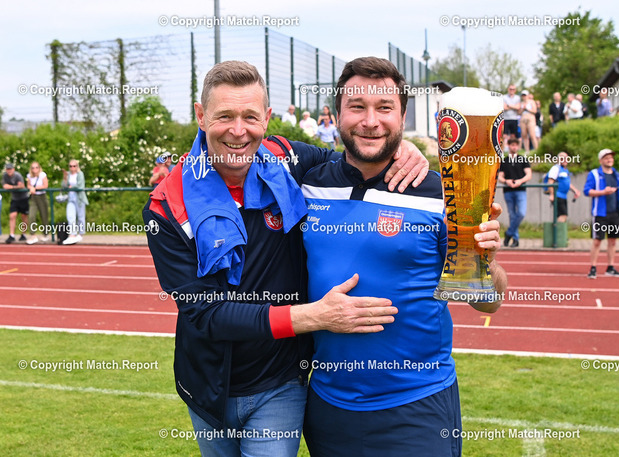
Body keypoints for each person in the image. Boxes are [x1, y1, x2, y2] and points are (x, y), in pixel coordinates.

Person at [142, 60, 429, 457]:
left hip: (281, 383)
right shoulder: (166, 205)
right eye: (224, 116)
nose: (238, 130)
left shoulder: (287, 157)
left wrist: (400, 149)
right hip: (207, 385)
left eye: (250, 117)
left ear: (267, 118)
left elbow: (354, 158)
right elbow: (206, 313)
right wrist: (314, 317)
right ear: (200, 116)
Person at [300, 56, 507, 457]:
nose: (370, 121)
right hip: (327, 407)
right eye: (357, 106)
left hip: (416, 408)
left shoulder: (441, 195)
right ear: (337, 114)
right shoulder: (307, 186)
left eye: (384, 108)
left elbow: (489, 302)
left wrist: (488, 260)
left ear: (403, 116)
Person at [584, 149, 619, 279]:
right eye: (606, 158)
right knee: (597, 241)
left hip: (615, 212)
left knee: (613, 241)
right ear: (600, 160)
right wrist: (603, 192)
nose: (609, 160)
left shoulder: (616, 174)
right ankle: (593, 268)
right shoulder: (594, 174)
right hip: (600, 213)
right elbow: (587, 191)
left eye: (611, 157)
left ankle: (610, 267)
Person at [498, 138, 532, 247]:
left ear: (518, 146)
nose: (514, 147)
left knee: (521, 213)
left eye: (516, 145)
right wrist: (506, 181)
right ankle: (515, 239)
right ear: (509, 146)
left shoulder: (522, 159)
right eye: (512, 145)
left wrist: (520, 181)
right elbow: (500, 176)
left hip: (520, 190)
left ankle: (509, 233)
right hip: (508, 191)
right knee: (512, 215)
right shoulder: (504, 161)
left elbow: (529, 174)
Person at [62, 159, 89, 245]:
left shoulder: (80, 174)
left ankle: (81, 234)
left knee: (80, 217)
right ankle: (72, 234)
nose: (72, 168)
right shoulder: (68, 174)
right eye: (70, 166)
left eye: (74, 166)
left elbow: (80, 185)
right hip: (71, 198)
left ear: (77, 166)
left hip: (79, 198)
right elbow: (64, 186)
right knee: (70, 216)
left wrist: (71, 187)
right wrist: (65, 178)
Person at [547, 152, 580, 223]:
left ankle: (558, 228)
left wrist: (575, 190)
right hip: (557, 195)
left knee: (563, 215)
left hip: (563, 196)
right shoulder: (556, 168)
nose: (565, 160)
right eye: (562, 158)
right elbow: (550, 182)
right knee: (562, 215)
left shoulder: (565, 170)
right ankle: (558, 230)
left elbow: (566, 183)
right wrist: (552, 195)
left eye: (566, 158)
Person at [2, 162, 29, 243]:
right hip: (15, 199)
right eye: (7, 169)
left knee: (24, 216)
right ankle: (12, 235)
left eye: (10, 169)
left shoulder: (18, 175)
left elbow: (22, 186)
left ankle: (23, 234)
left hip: (23, 198)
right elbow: (4, 186)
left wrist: (12, 187)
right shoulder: (5, 176)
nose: (9, 171)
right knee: (12, 215)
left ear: (13, 169)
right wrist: (15, 187)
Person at [26, 161, 49, 244]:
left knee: (44, 216)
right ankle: (33, 235)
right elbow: (28, 185)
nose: (35, 169)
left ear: (39, 168)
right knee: (31, 216)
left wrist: (35, 188)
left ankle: (45, 234)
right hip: (33, 197)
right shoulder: (29, 176)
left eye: (36, 167)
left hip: (42, 197)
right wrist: (31, 188)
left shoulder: (42, 175)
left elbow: (45, 185)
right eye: (33, 168)